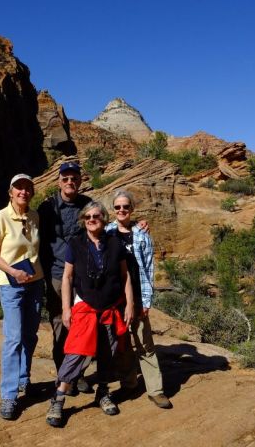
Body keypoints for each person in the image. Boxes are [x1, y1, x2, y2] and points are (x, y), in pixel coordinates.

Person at [45, 201, 135, 427]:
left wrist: (130, 304)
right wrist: (66, 308)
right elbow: (66, 277)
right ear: (83, 220)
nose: (92, 219)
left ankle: (102, 392)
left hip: (111, 307)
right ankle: (58, 398)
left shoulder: (115, 243)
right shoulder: (75, 244)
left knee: (108, 351)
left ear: (104, 219)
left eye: (97, 216)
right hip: (85, 306)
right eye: (88, 217)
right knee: (76, 351)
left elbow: (125, 277)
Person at [105, 190, 172, 409]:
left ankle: (156, 390)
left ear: (132, 209)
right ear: (113, 210)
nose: (121, 210)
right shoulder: (107, 232)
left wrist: (146, 300)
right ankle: (129, 383)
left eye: (125, 207)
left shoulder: (142, 234)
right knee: (122, 344)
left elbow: (149, 268)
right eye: (117, 207)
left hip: (138, 295)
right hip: (116, 300)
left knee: (145, 343)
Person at [0, 173, 45, 420]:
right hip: (10, 284)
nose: (23, 191)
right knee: (13, 339)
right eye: (18, 188)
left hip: (35, 283)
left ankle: (24, 379)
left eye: (27, 188)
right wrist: (12, 271)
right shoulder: (0, 217)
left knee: (30, 335)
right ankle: (9, 396)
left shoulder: (34, 217)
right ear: (10, 192)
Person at [37, 161, 94, 393]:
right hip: (58, 275)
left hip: (83, 275)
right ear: (59, 181)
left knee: (82, 324)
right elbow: (40, 241)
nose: (70, 182)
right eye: (66, 178)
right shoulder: (48, 207)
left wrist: (137, 226)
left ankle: (78, 374)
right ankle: (63, 377)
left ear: (80, 181)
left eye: (74, 178)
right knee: (61, 324)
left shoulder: (87, 204)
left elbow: (103, 228)